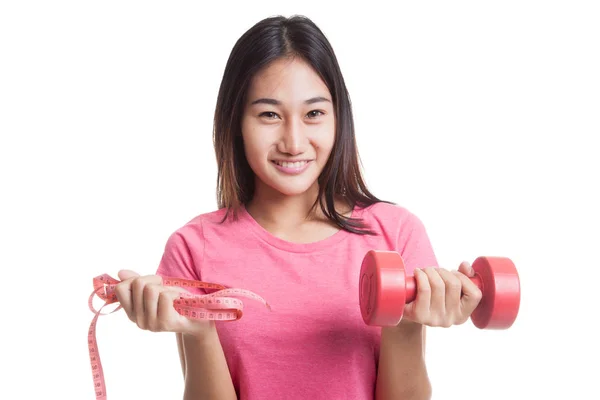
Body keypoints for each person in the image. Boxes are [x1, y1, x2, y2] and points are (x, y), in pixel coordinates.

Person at [114, 14, 482, 400]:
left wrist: (405, 322)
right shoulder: (194, 247)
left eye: (314, 114)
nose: (293, 141)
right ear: (236, 122)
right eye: (269, 114)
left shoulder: (396, 234)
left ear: (339, 119)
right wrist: (200, 329)